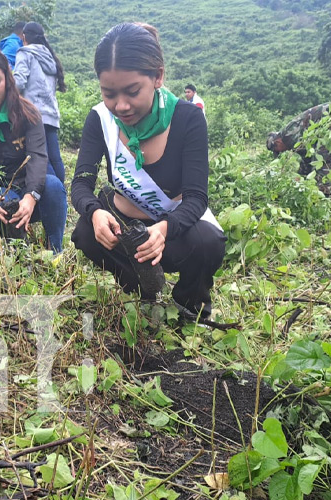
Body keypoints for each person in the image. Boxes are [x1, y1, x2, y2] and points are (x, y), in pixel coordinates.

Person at [70, 23, 226, 320]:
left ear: (158, 76)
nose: (121, 106)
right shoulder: (100, 119)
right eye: (109, 94)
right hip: (122, 224)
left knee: (208, 244)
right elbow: (80, 184)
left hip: (172, 227)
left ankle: (190, 307)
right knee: (85, 234)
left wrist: (165, 229)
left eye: (132, 92)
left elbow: (195, 198)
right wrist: (94, 213)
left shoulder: (188, 118)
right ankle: (141, 290)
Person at [0, 46, 67, 253]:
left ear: (7, 79)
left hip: (28, 188)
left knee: (53, 185)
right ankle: (13, 253)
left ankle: (55, 251)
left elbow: (37, 158)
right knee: (5, 203)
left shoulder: (29, 114)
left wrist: (31, 195)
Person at [267, 101, 331, 197]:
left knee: (322, 160)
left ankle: (324, 196)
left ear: (277, 142)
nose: (282, 152)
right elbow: (306, 160)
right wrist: (301, 178)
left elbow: (309, 159)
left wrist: (301, 180)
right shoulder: (290, 135)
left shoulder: (288, 136)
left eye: (278, 150)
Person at [14, 22, 66, 185]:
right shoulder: (49, 56)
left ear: (24, 37)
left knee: (40, 157)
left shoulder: (25, 53)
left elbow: (19, 82)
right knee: (55, 158)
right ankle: (61, 192)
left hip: (33, 114)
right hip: (51, 115)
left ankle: (55, 192)